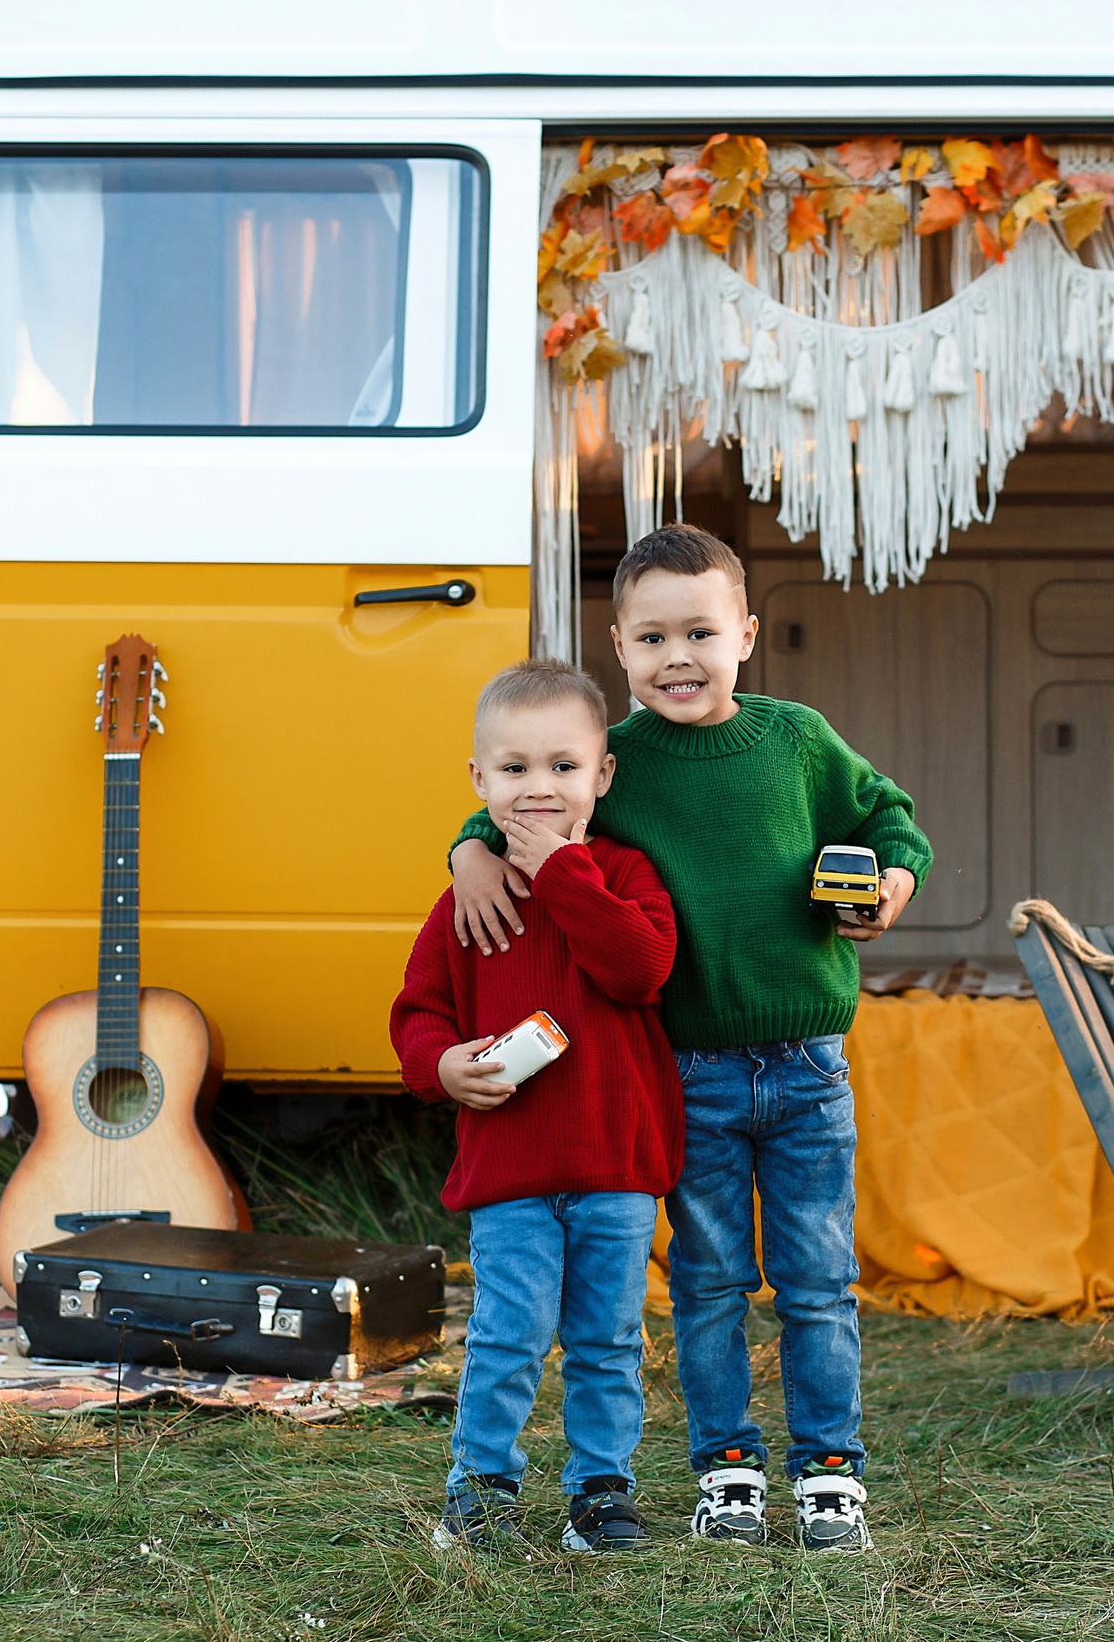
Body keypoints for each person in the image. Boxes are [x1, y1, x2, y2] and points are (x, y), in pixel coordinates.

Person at [447, 523, 931, 1554]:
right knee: (708, 1282)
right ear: (619, 647)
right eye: (654, 638)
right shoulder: (616, 762)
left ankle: (830, 1468)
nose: (680, 658)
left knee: (814, 1276)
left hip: (806, 1065)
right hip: (689, 1073)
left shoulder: (795, 739)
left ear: (744, 635)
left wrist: (889, 883)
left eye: (701, 633)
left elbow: (891, 816)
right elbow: (528, 801)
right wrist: (468, 853)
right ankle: (726, 1467)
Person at [391, 657, 683, 1556]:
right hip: (511, 1166)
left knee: (605, 1340)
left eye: (563, 766)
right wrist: (444, 1065)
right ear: (479, 782)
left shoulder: (627, 875)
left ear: (603, 773)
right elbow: (418, 1013)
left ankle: (602, 1490)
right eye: (514, 769)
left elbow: (638, 969)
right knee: (507, 1334)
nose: (539, 788)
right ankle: (479, 1489)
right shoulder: (466, 898)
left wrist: (562, 872)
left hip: (613, 1160)